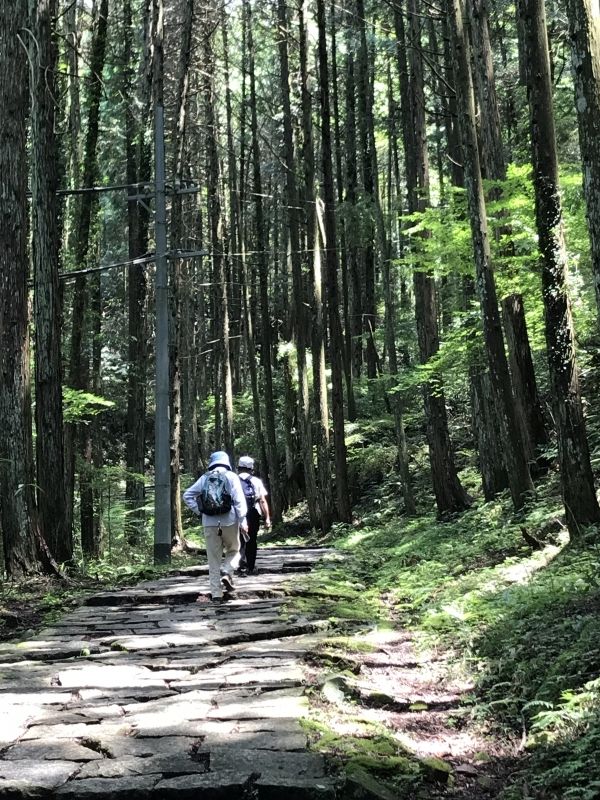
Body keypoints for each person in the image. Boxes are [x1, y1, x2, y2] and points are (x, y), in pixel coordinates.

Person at [182, 451, 248, 603]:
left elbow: (187, 495)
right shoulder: (232, 476)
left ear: (212, 462)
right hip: (229, 521)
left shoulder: (204, 477)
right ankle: (227, 571)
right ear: (226, 462)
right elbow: (239, 500)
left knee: (213, 559)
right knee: (234, 550)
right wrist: (243, 520)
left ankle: (216, 595)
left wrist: (200, 511)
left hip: (209, 523)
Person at [236, 455, 271, 576]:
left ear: (239, 467)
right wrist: (267, 518)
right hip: (253, 512)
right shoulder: (256, 481)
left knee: (239, 539)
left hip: (236, 513)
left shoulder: (233, 480)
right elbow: (262, 500)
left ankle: (241, 566)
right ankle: (251, 567)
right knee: (252, 539)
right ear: (251, 468)